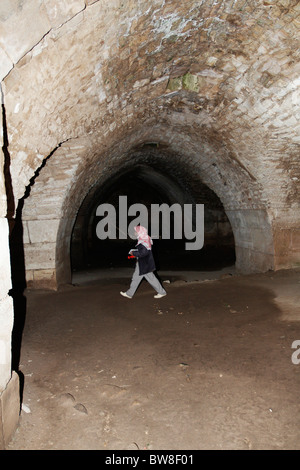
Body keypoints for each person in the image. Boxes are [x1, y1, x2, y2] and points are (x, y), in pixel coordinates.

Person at [120, 225, 167, 299]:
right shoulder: (144, 239)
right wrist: (135, 251)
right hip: (143, 263)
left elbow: (143, 253)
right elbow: (144, 251)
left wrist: (133, 253)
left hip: (144, 264)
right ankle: (129, 293)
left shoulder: (143, 241)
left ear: (140, 232)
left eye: (136, 231)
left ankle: (162, 292)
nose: (135, 232)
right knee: (136, 277)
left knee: (151, 279)